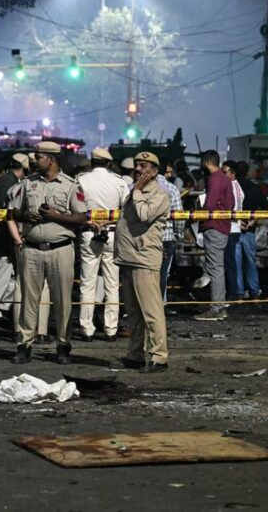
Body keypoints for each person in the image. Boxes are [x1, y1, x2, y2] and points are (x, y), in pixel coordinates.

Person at [8, 141, 87, 364]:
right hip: (31, 249)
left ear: (51, 159)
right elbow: (13, 210)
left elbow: (82, 217)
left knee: (62, 301)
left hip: (60, 249)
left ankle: (63, 346)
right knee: (28, 300)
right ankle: (24, 345)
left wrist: (55, 216)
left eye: (39, 157)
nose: (34, 160)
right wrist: (25, 216)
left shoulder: (70, 185)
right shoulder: (28, 183)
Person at [114, 152, 171, 373]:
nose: (138, 169)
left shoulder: (159, 194)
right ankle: (135, 354)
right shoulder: (134, 191)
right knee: (134, 312)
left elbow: (145, 215)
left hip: (144, 259)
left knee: (151, 312)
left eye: (144, 165)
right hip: (129, 256)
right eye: (137, 164)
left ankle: (159, 357)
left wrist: (137, 191)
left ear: (154, 171)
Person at [75, 147, 129, 342]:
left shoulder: (81, 180)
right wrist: (108, 221)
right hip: (113, 234)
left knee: (88, 283)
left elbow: (76, 208)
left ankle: (86, 328)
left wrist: (92, 221)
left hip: (89, 233)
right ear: (108, 163)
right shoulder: (119, 182)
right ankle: (111, 328)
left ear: (92, 162)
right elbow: (126, 210)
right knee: (112, 284)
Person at [0, 153, 28, 330]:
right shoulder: (9, 182)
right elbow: (7, 211)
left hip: (5, 232)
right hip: (5, 233)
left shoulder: (6, 179)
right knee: (3, 271)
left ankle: (0, 308)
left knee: (8, 274)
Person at [195, 150, 233, 321]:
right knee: (218, 268)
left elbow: (209, 204)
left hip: (214, 226)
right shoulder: (225, 178)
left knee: (215, 268)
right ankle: (220, 306)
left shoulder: (214, 179)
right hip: (223, 226)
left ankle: (216, 308)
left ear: (206, 162)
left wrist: (198, 214)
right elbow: (231, 204)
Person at [237, 161, 268, 299]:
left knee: (235, 262)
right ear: (248, 172)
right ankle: (254, 289)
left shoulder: (232, 187)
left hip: (234, 228)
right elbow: (266, 209)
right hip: (250, 229)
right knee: (250, 261)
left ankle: (238, 290)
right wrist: (253, 221)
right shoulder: (255, 188)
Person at [157, 161, 186, 304]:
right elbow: (179, 216)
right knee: (162, 273)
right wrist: (178, 234)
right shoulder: (172, 189)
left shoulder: (142, 186)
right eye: (168, 171)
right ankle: (159, 305)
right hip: (166, 236)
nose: (170, 174)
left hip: (146, 237)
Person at [222, 161, 245, 300]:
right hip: (234, 228)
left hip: (231, 228)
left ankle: (233, 292)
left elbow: (231, 209)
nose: (223, 175)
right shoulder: (237, 187)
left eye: (225, 172)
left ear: (232, 174)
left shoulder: (231, 187)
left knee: (230, 263)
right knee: (233, 262)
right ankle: (235, 290)